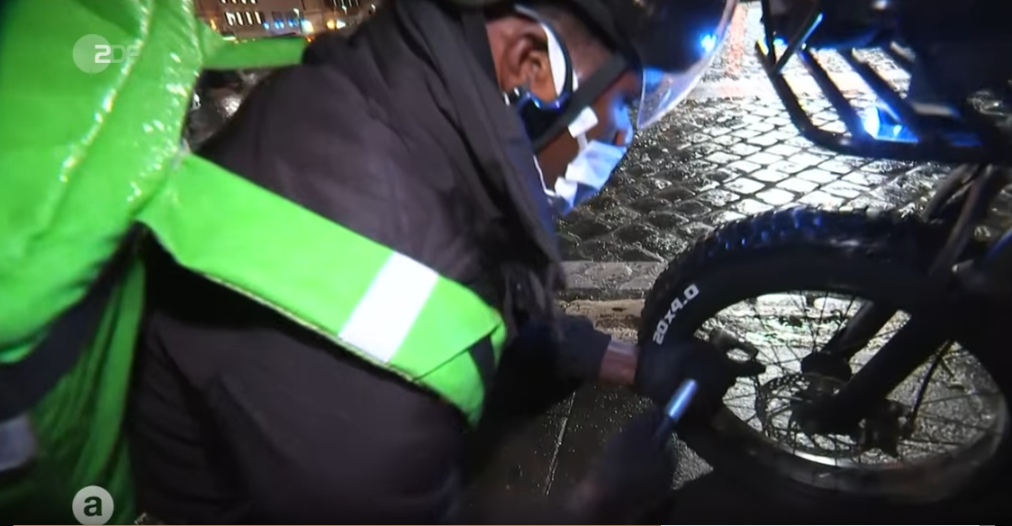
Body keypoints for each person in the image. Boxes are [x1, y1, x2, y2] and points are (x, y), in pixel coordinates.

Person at [128, 0, 746, 522]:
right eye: (625, 102)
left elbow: (460, 311)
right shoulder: (366, 376)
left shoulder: (390, 98)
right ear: (531, 60)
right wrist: (592, 506)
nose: (621, 137)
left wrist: (631, 364)